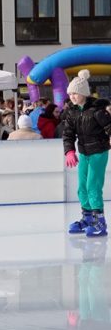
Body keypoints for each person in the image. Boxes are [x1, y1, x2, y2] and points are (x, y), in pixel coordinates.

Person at [63, 70, 111, 237]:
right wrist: (69, 150)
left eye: (75, 93)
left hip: (99, 151)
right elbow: (68, 133)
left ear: (83, 92)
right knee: (82, 188)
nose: (72, 97)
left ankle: (100, 222)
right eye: (70, 94)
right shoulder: (72, 112)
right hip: (84, 152)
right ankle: (88, 219)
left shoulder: (97, 110)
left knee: (93, 187)